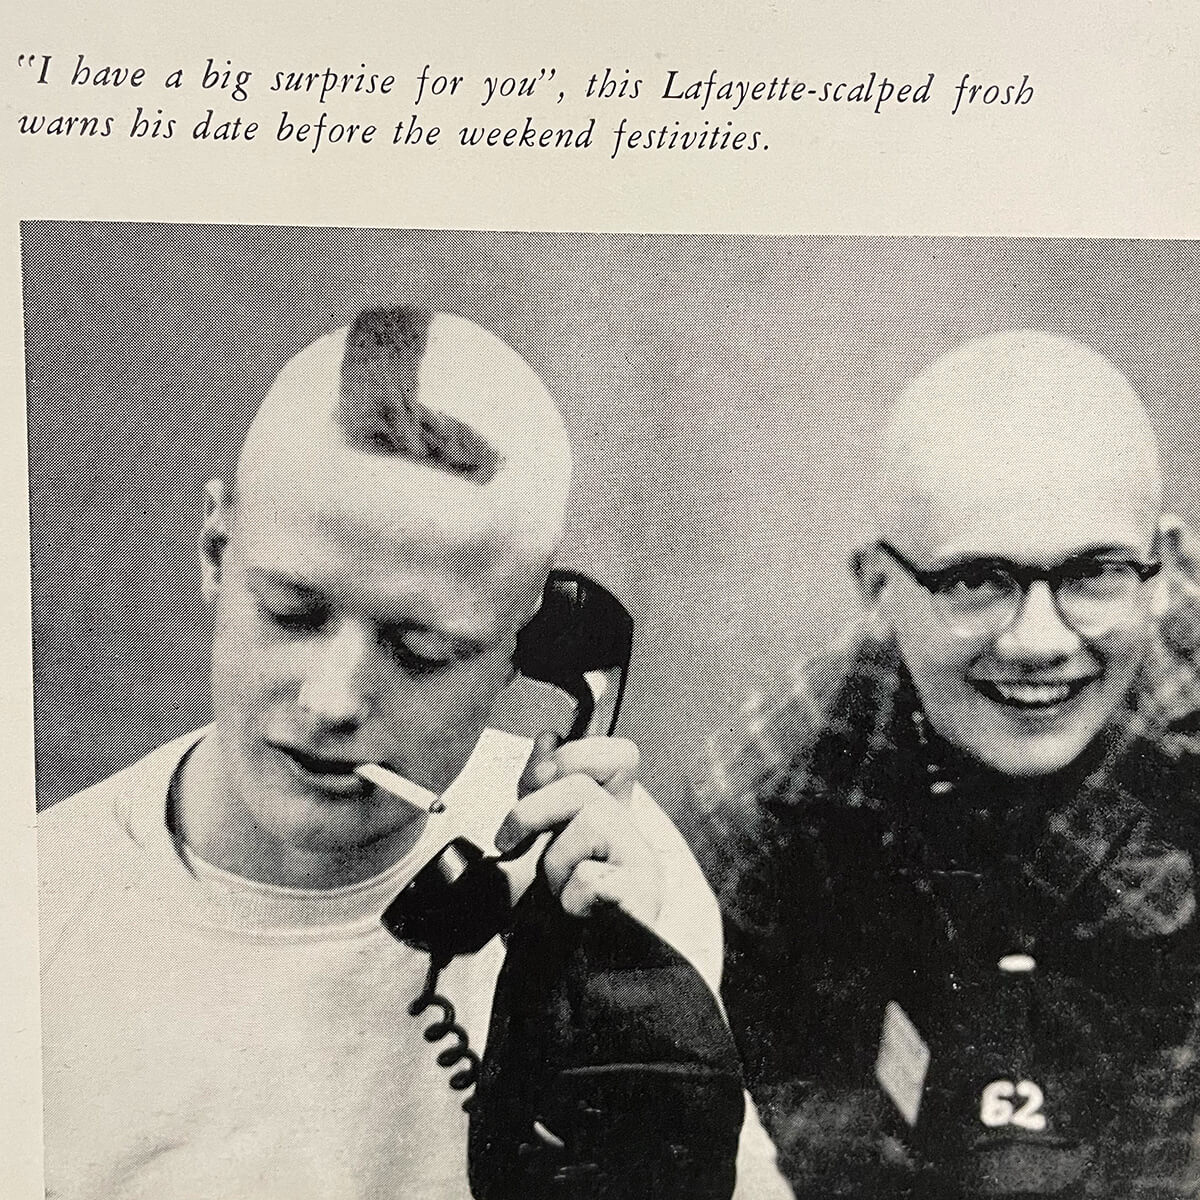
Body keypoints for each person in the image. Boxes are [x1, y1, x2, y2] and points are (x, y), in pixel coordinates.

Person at [38, 306, 788, 1200]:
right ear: (214, 552)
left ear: (525, 650)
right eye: (291, 612)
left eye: (421, 652)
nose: (331, 701)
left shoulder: (611, 878)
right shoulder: (39, 922)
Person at [697, 330, 1200, 1197]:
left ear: (1164, 568)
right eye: (975, 581)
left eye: (1095, 573)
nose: (1039, 641)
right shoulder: (771, 797)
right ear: (878, 586)